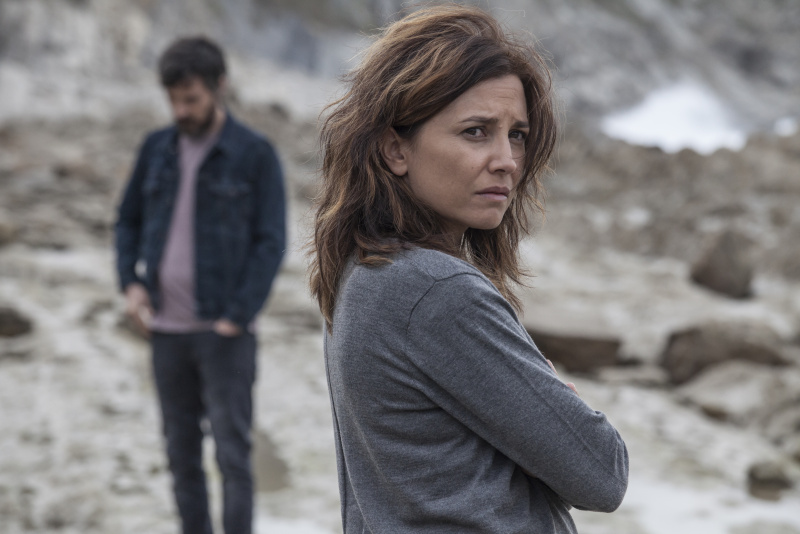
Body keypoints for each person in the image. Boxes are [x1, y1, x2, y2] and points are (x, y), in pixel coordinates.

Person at [309, 5, 628, 533]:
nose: (506, 160)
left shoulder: (362, 271)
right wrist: (553, 395)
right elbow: (602, 473)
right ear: (395, 149)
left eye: (517, 134)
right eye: (476, 132)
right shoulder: (434, 291)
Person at [114, 36, 286, 534]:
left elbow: (271, 241)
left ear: (219, 87)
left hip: (224, 333)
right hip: (165, 331)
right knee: (181, 455)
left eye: (190, 99)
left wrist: (237, 315)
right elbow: (126, 221)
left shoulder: (255, 153)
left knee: (233, 456)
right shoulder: (156, 148)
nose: (181, 111)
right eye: (173, 100)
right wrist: (130, 285)